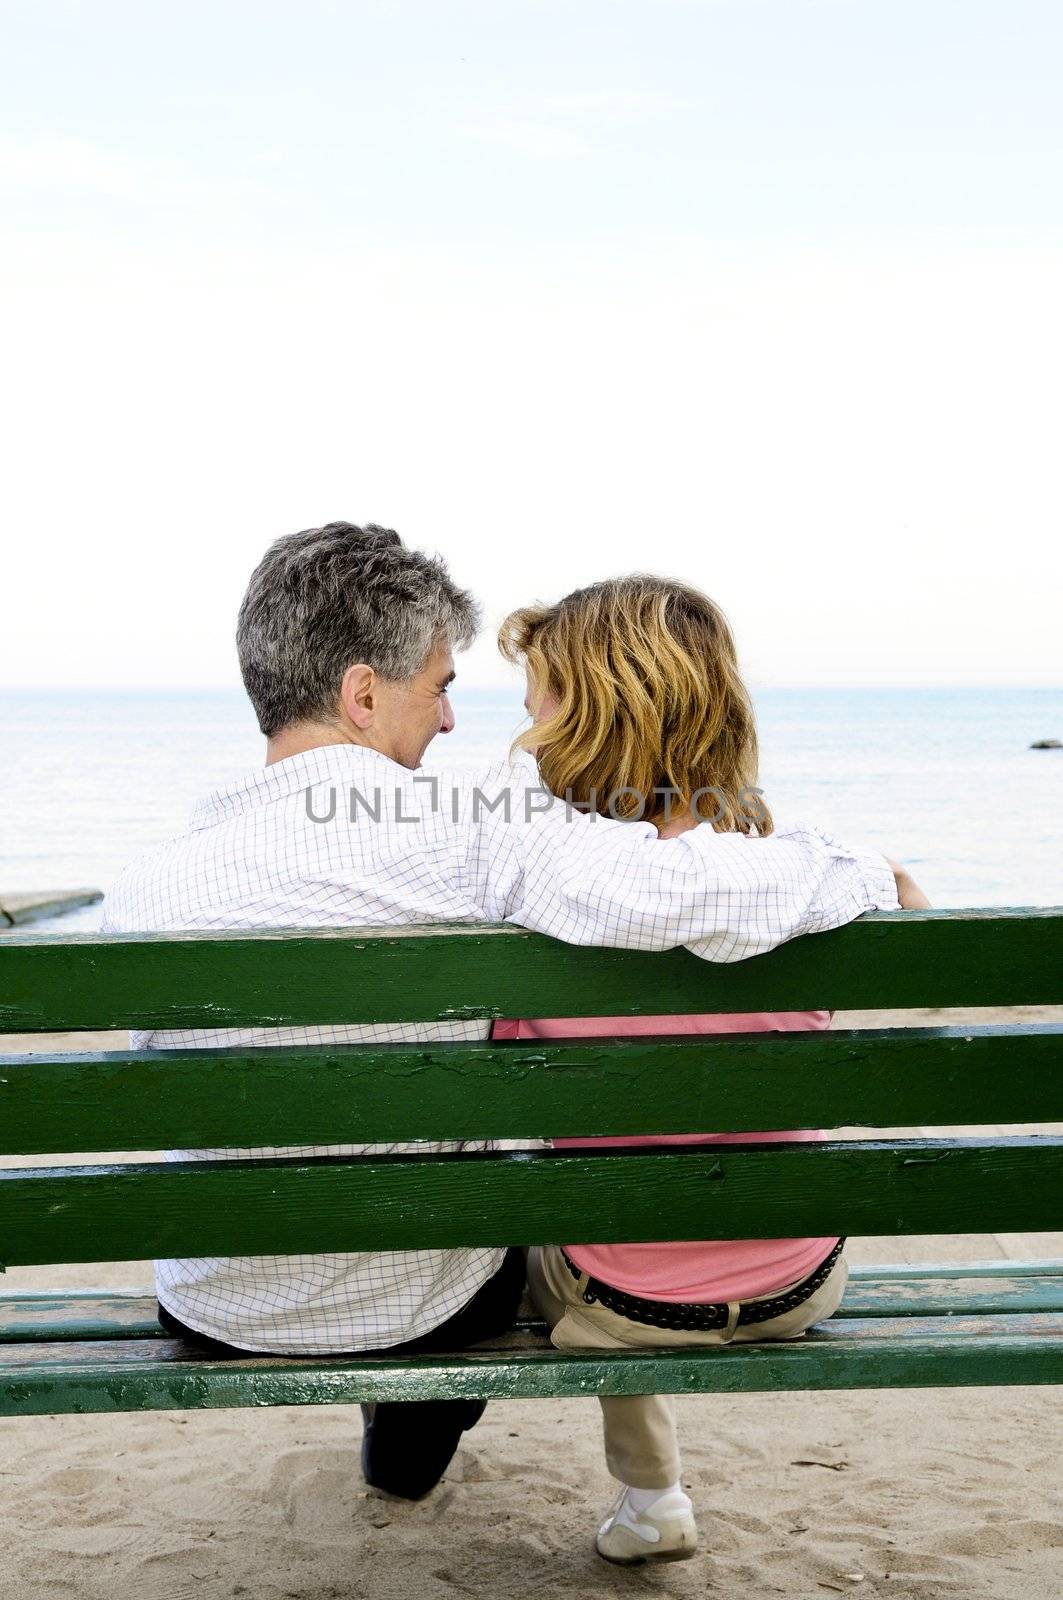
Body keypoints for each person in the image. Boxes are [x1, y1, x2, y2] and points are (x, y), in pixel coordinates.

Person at [101, 521, 908, 1505]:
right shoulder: (474, 833)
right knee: (490, 1205)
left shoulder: (140, 891)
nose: (449, 722)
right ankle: (421, 1420)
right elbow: (675, 893)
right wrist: (859, 870)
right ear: (362, 695)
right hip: (418, 1305)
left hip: (214, 1300)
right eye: (439, 686)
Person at [495, 575, 930, 1564]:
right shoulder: (810, 885)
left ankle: (650, 1497)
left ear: (595, 714)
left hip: (617, 1301)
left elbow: (506, 1068)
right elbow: (901, 894)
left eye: (541, 695)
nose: (525, 714)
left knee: (572, 1218)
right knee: (639, 1197)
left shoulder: (548, 896)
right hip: (800, 1274)